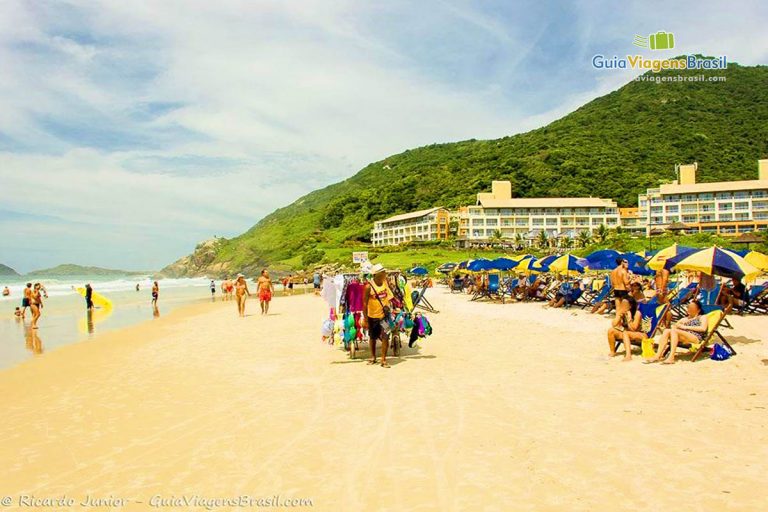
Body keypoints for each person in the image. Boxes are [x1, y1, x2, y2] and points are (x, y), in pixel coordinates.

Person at [647, 300, 708, 364]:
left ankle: (671, 357)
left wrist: (685, 327)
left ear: (698, 310)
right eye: (688, 307)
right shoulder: (684, 319)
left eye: (691, 307)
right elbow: (673, 328)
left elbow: (703, 328)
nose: (688, 308)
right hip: (683, 337)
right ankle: (658, 355)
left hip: (696, 337)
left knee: (674, 331)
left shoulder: (702, 317)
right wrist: (676, 326)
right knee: (667, 331)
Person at [363, 264, 394, 368]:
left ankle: (383, 360)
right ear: (376, 274)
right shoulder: (368, 287)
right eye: (383, 272)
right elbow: (364, 304)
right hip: (372, 316)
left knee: (386, 336)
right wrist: (366, 319)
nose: (385, 274)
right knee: (372, 337)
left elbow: (389, 296)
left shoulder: (385, 283)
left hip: (385, 316)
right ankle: (373, 357)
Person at [606, 297, 643, 361]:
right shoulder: (622, 312)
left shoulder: (637, 313)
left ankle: (628, 355)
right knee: (611, 330)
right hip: (626, 333)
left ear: (630, 306)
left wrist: (629, 318)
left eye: (624, 304)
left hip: (640, 334)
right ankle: (612, 351)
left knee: (625, 333)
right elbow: (614, 324)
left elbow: (634, 329)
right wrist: (619, 316)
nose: (622, 306)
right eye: (622, 304)